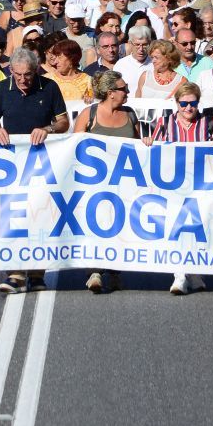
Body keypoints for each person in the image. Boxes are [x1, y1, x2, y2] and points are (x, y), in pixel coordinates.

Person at [0, 48, 70, 294]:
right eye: (18, 75)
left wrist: (48, 129)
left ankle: (37, 273)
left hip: (43, 162)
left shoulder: (50, 87)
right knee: (14, 215)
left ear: (36, 70)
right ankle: (16, 273)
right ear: (11, 71)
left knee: (40, 214)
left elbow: (64, 122)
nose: (23, 80)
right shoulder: (2, 89)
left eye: (28, 75)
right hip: (12, 164)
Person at [143, 81, 213, 295]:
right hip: (174, 185)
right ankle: (179, 275)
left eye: (193, 103)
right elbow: (154, 151)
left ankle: (195, 271)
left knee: (199, 227)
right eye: (183, 104)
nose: (188, 108)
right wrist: (148, 142)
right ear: (176, 103)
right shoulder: (163, 123)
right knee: (177, 230)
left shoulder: (208, 122)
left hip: (201, 184)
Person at [73, 71, 140, 293]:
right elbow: (72, 148)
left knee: (119, 224)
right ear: (111, 93)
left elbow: (140, 146)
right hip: (95, 184)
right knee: (95, 224)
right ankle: (94, 270)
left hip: (123, 182)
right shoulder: (89, 114)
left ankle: (114, 270)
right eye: (124, 89)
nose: (127, 92)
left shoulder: (130, 114)